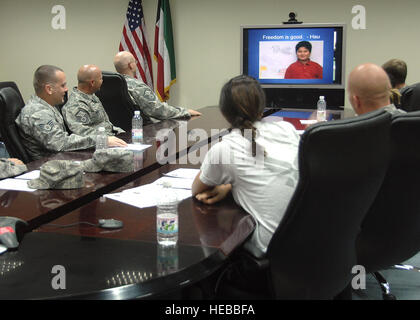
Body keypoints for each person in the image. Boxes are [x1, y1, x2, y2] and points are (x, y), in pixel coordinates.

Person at [192, 75, 300, 259]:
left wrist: (227, 184)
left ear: (224, 112)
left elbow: (196, 189)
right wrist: (229, 185)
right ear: (262, 107)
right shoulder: (287, 130)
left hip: (271, 254)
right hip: (310, 242)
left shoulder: (225, 148)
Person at [15, 65, 127, 161]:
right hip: (48, 167)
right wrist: (101, 140)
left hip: (63, 160)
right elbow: (60, 143)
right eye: (62, 85)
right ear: (49, 89)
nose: (66, 89)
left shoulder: (48, 107)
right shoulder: (37, 113)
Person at [113, 51, 201, 122]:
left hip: (122, 132)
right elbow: (158, 110)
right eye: (135, 62)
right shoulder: (137, 87)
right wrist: (185, 112)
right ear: (131, 65)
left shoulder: (111, 84)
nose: (136, 64)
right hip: (144, 131)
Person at [62, 64, 125, 136]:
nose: (102, 81)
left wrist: (121, 133)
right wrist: (109, 139)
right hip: (101, 143)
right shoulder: (76, 105)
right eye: (101, 79)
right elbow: (84, 133)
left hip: (110, 136)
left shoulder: (91, 95)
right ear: (92, 83)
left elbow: (105, 124)